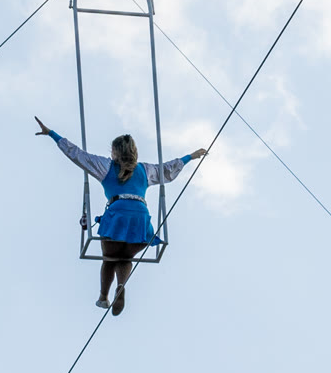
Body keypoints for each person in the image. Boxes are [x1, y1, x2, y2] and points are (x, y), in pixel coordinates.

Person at [34, 117, 204, 314]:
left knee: (109, 258)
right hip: (141, 219)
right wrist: (189, 157)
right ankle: (121, 285)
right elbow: (168, 169)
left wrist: (52, 134)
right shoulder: (145, 170)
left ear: (115, 151)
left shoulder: (106, 166)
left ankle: (103, 297)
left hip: (118, 215)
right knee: (125, 258)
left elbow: (77, 154)